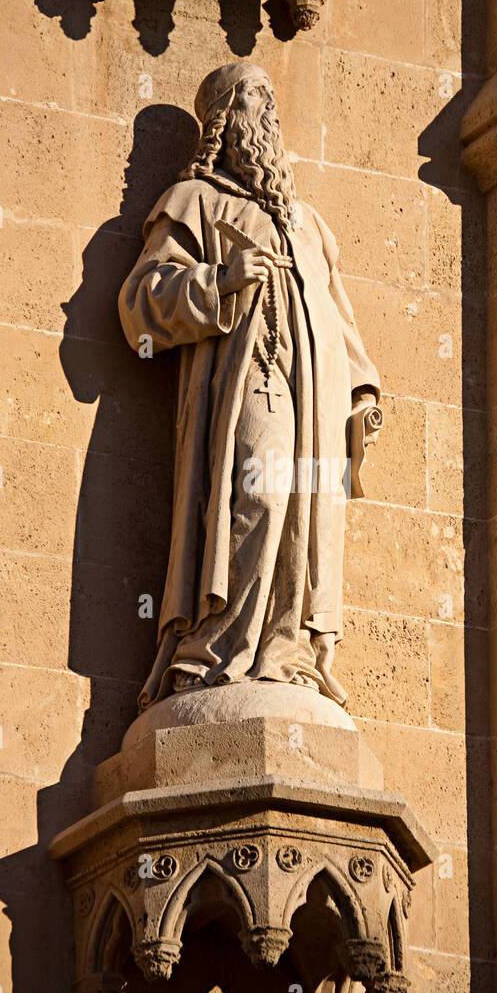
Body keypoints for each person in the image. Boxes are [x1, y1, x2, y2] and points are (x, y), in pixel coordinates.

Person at [118, 62, 381, 710]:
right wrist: (220, 279)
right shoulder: (195, 201)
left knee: (304, 519)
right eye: (250, 101)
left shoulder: (307, 223)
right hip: (251, 379)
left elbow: (338, 317)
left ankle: (286, 653)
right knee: (258, 500)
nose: (264, 115)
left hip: (317, 396)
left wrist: (362, 392)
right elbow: (140, 305)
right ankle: (215, 651)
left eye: (269, 102)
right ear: (221, 121)